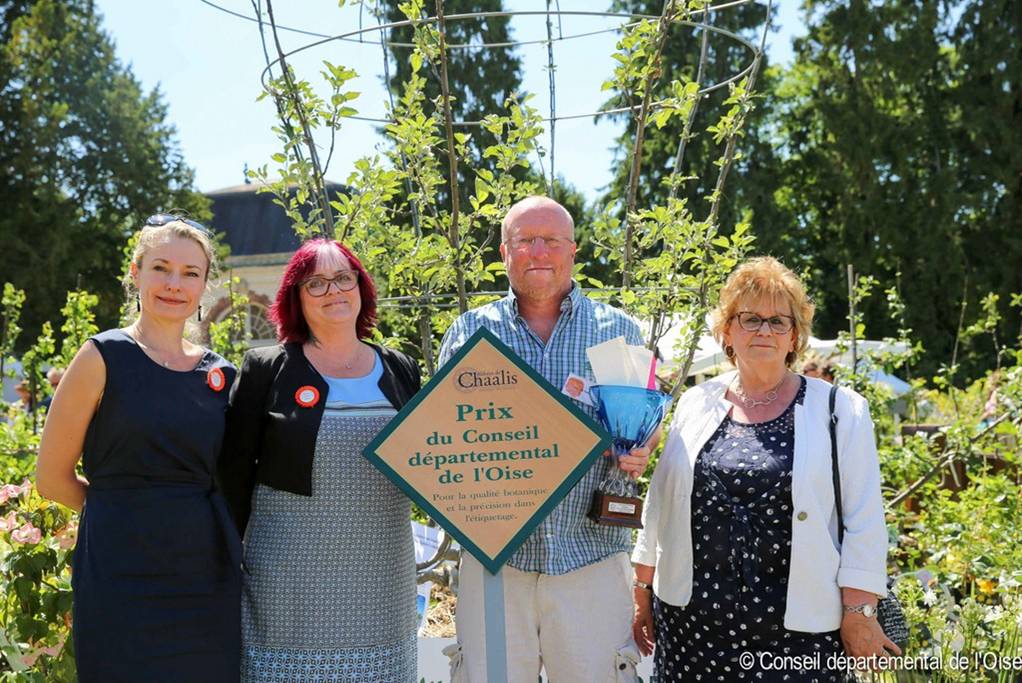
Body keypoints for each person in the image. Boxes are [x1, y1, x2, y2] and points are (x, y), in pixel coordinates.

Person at [631, 257, 898, 681]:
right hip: (691, 628)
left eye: (778, 321)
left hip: (798, 633)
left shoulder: (841, 410)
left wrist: (860, 611)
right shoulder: (696, 403)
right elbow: (660, 503)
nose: (764, 331)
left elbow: (865, 520)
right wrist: (642, 588)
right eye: (750, 318)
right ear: (727, 331)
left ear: (795, 336)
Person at [438, 196, 656, 683]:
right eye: (524, 241)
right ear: (504, 252)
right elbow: (441, 436)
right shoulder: (470, 331)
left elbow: (641, 425)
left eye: (551, 240)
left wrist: (640, 448)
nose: (538, 251)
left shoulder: (615, 330)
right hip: (495, 562)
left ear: (572, 250)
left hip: (590, 556)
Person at [35, 214, 241, 682]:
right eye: (161, 268)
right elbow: (50, 478)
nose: (174, 284)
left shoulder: (222, 376)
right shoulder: (100, 357)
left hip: (204, 574)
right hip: (119, 572)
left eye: (190, 273)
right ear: (136, 273)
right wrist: (123, 509)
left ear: (204, 285)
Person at [219, 238, 422, 682]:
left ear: (361, 288)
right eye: (316, 283)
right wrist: (221, 566)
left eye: (343, 278)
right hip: (289, 586)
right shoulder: (266, 368)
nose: (334, 290)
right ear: (296, 298)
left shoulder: (401, 367)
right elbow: (231, 479)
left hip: (383, 578)